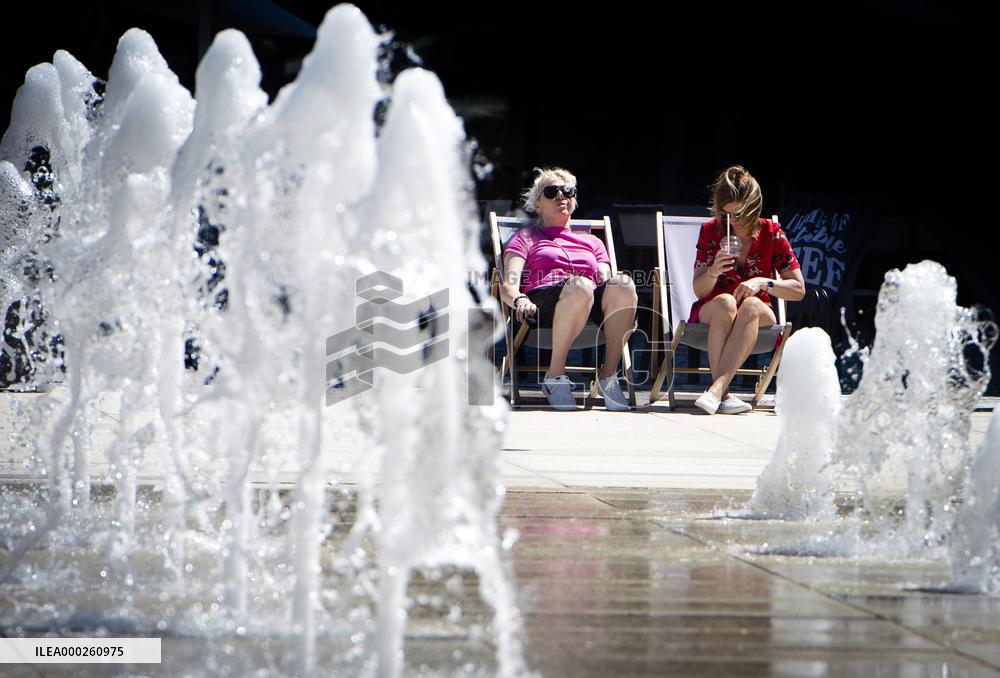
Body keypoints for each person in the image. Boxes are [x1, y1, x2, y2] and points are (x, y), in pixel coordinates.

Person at [500, 167, 637, 410]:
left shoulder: (592, 241)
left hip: (587, 301)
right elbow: (508, 285)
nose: (561, 196)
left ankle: (608, 377)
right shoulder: (526, 237)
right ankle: (555, 376)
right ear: (537, 204)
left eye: (567, 191)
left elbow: (605, 282)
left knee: (623, 284)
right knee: (581, 285)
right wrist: (519, 299)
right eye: (551, 192)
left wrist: (624, 306)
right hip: (541, 304)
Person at [690, 165, 805, 415]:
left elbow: (798, 289)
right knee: (725, 302)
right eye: (725, 214)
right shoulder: (711, 231)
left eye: (738, 215)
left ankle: (716, 390)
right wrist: (713, 270)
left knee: (752, 304)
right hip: (715, 311)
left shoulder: (771, 234)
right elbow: (699, 291)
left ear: (753, 209)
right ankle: (724, 393)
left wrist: (763, 282)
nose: (731, 222)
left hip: (756, 315)